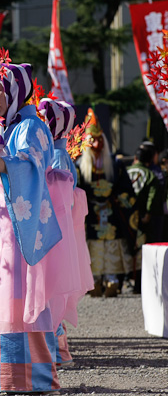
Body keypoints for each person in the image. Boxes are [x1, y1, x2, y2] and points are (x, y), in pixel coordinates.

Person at [0, 63, 78, 394]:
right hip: (8, 233)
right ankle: (12, 377)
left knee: (28, 299)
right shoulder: (4, 129)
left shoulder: (32, 126)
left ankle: (37, 377)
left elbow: (32, 168)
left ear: (16, 91)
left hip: (26, 228)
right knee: (8, 301)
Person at [37, 98, 94, 367]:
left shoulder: (57, 157)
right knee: (53, 291)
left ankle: (57, 351)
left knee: (53, 291)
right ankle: (57, 350)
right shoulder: (60, 154)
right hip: (61, 230)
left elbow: (60, 201)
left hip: (57, 231)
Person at [76, 109, 139, 297]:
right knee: (92, 246)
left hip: (111, 212)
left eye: (99, 140)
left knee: (112, 244)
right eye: (92, 140)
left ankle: (112, 279)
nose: (96, 144)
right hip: (91, 214)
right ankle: (94, 280)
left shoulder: (115, 164)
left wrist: (116, 198)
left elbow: (126, 190)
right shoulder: (80, 166)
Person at [127, 141, 164, 294]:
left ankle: (126, 278)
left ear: (136, 157)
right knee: (142, 248)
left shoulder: (126, 170)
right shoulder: (150, 175)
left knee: (128, 245)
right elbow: (153, 196)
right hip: (143, 218)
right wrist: (148, 213)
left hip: (127, 216)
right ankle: (139, 283)